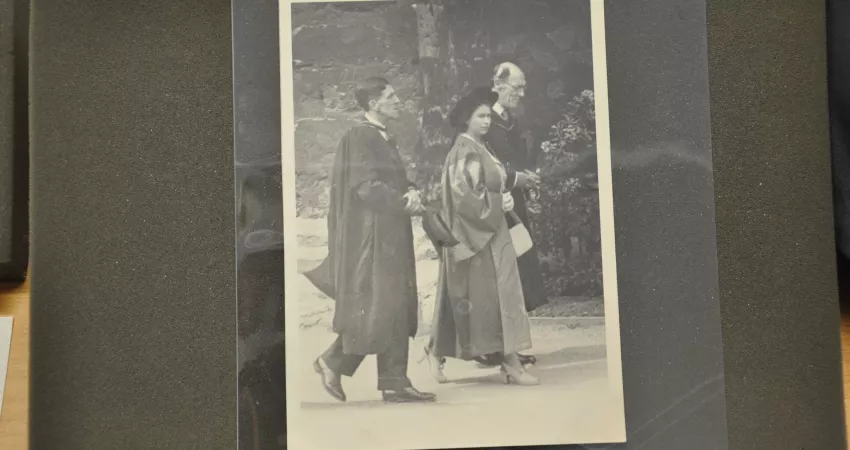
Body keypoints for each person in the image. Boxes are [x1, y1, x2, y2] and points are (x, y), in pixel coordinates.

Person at [304, 77, 436, 404]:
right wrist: (404, 201)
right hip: (374, 237)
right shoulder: (361, 136)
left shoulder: (381, 136)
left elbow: (393, 178)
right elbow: (366, 186)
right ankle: (333, 361)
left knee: (395, 304)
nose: (397, 100)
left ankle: (394, 381)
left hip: (390, 232)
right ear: (373, 103)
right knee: (379, 306)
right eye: (390, 96)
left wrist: (413, 189)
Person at [423, 87, 540, 386]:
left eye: (489, 115)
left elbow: (487, 187)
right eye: (481, 116)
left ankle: (440, 351)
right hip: (477, 233)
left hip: (490, 230)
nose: (487, 121)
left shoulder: (479, 146)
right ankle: (510, 364)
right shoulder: (465, 150)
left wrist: (502, 196)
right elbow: (466, 198)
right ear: (467, 119)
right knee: (488, 297)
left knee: (478, 297)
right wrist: (501, 201)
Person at [472, 62, 547, 369]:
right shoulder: (486, 121)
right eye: (516, 87)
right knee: (501, 273)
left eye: (523, 86)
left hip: (511, 203)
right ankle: (499, 349)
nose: (521, 92)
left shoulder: (511, 121)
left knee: (514, 271)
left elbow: (512, 161)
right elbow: (484, 166)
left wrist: (528, 179)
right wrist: (519, 179)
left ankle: (503, 346)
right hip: (493, 205)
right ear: (497, 85)